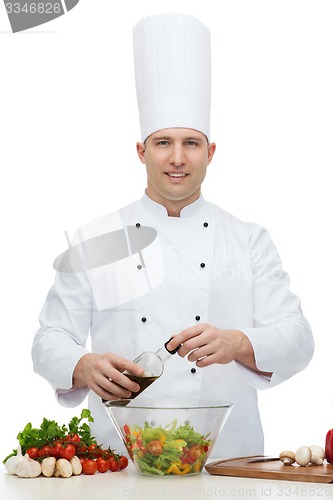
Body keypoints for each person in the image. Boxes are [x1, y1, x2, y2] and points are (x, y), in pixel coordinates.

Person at [32, 13, 314, 458]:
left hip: (228, 462)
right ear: (141, 151)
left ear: (211, 152)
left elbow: (299, 338)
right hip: (120, 462)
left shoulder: (248, 239)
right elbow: (48, 338)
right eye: (163, 142)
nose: (177, 159)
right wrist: (82, 365)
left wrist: (240, 342)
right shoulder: (98, 237)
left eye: (191, 143)